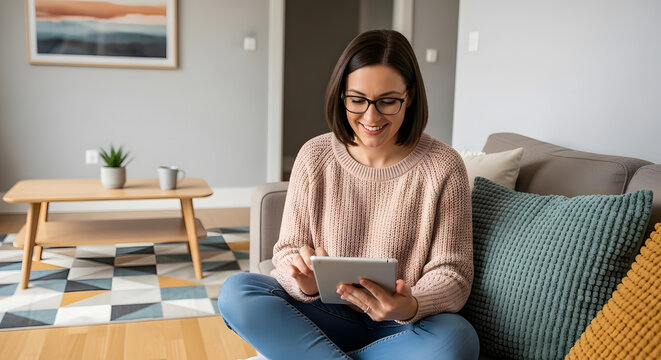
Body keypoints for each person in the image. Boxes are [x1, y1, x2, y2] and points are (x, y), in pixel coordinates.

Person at [218, 29, 479, 360]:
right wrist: (305, 284)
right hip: (328, 316)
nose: (371, 117)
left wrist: (410, 302)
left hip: (400, 324)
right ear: (341, 95)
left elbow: (453, 272)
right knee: (237, 292)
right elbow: (286, 251)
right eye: (357, 100)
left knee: (458, 339)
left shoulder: (444, 166)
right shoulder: (315, 155)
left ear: (409, 96)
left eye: (387, 101)